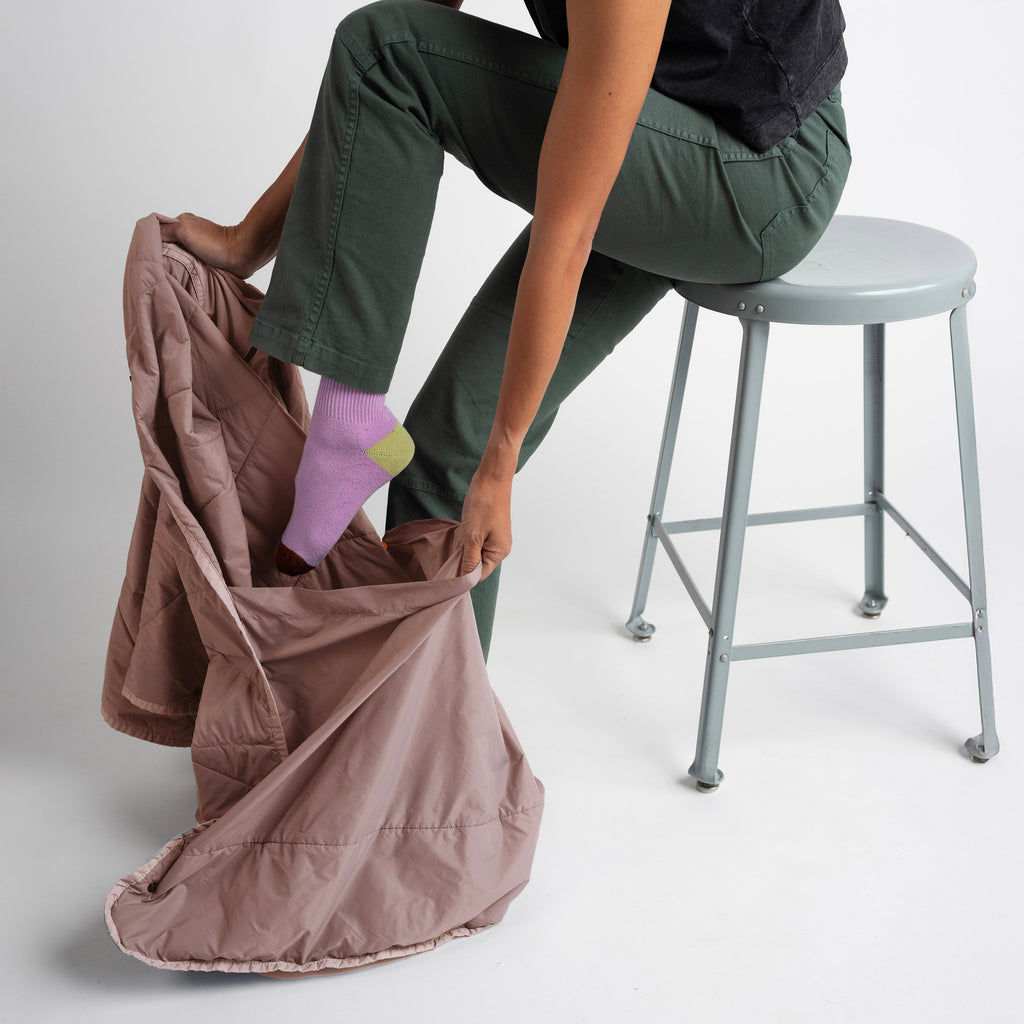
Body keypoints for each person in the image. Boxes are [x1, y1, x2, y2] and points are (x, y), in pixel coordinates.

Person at [161, 0, 851, 661]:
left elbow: (568, 231)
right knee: (444, 462)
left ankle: (349, 416)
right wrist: (250, 238)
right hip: (659, 123)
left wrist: (504, 457)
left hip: (761, 170)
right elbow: (364, 98)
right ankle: (441, 757)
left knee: (385, 49)